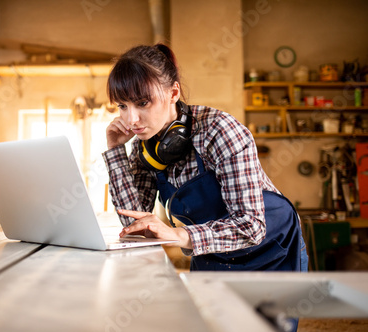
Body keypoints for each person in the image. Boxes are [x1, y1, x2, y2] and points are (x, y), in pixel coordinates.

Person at [102, 44, 308, 273]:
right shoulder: (145, 146)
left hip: (272, 253)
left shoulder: (219, 131)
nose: (131, 119)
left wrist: (180, 235)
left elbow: (251, 228)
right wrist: (115, 151)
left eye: (142, 103)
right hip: (211, 251)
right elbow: (134, 223)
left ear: (173, 93)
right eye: (122, 106)